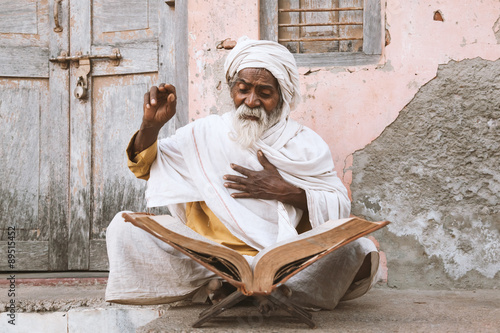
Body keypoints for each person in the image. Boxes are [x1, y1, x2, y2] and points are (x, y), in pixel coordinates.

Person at [105, 37, 380, 310]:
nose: (251, 101)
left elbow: (339, 207)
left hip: (285, 262)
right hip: (210, 259)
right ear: (232, 91)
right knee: (124, 228)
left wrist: (287, 191)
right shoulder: (205, 134)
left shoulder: (305, 144)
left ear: (282, 97)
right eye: (243, 89)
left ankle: (241, 289)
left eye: (264, 93)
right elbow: (145, 166)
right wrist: (150, 126)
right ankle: (248, 288)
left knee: (359, 249)